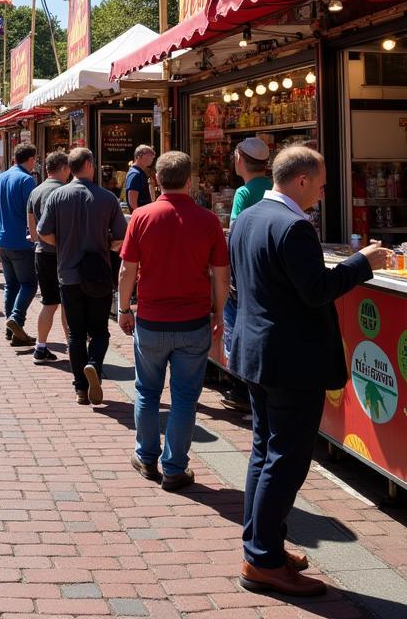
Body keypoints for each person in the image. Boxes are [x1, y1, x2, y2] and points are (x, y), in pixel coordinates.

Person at [229, 146, 390, 597]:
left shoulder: (250, 216)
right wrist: (363, 264)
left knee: (266, 453)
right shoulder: (293, 225)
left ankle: (264, 546)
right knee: (285, 460)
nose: (322, 192)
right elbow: (316, 290)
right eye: (319, 184)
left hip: (261, 355)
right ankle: (262, 560)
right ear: (299, 181)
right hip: (290, 360)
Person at [117, 151, 230, 491]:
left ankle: (147, 457)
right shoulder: (208, 220)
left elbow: (127, 270)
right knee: (184, 398)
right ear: (190, 180)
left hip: (151, 320)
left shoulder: (141, 217)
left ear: (156, 180)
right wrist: (219, 312)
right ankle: (175, 467)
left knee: (147, 392)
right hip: (193, 321)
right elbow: (220, 276)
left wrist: (123, 309)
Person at [38, 147, 127, 405]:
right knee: (99, 330)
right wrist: (105, 245)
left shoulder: (57, 196)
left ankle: (80, 388)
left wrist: (63, 244)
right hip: (98, 272)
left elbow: (43, 232)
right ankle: (95, 366)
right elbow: (120, 238)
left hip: (68, 274)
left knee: (76, 333)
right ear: (88, 164)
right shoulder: (107, 198)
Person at [221, 137, 273, 413]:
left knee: (234, 327)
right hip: (266, 273)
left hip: (243, 274)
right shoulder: (273, 186)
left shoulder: (244, 192)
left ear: (240, 159)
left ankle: (239, 388)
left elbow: (235, 233)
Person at [0, 144, 39, 346]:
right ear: (29, 159)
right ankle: (16, 320)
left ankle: (11, 329)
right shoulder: (27, 180)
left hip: (2, 239)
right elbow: (33, 212)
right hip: (21, 240)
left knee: (11, 285)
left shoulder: (1, 177)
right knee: (29, 284)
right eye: (35, 159)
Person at [26, 151, 70, 363]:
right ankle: (73, 346)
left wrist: (40, 241)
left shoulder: (36, 191)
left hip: (41, 253)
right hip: (62, 255)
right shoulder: (65, 192)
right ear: (64, 169)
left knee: (49, 302)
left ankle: (40, 346)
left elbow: (32, 228)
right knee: (68, 303)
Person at [124, 145, 156, 213]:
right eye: (149, 154)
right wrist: (138, 215)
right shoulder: (135, 174)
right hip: (140, 215)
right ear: (139, 156)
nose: (152, 157)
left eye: (152, 155)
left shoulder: (139, 172)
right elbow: (132, 201)